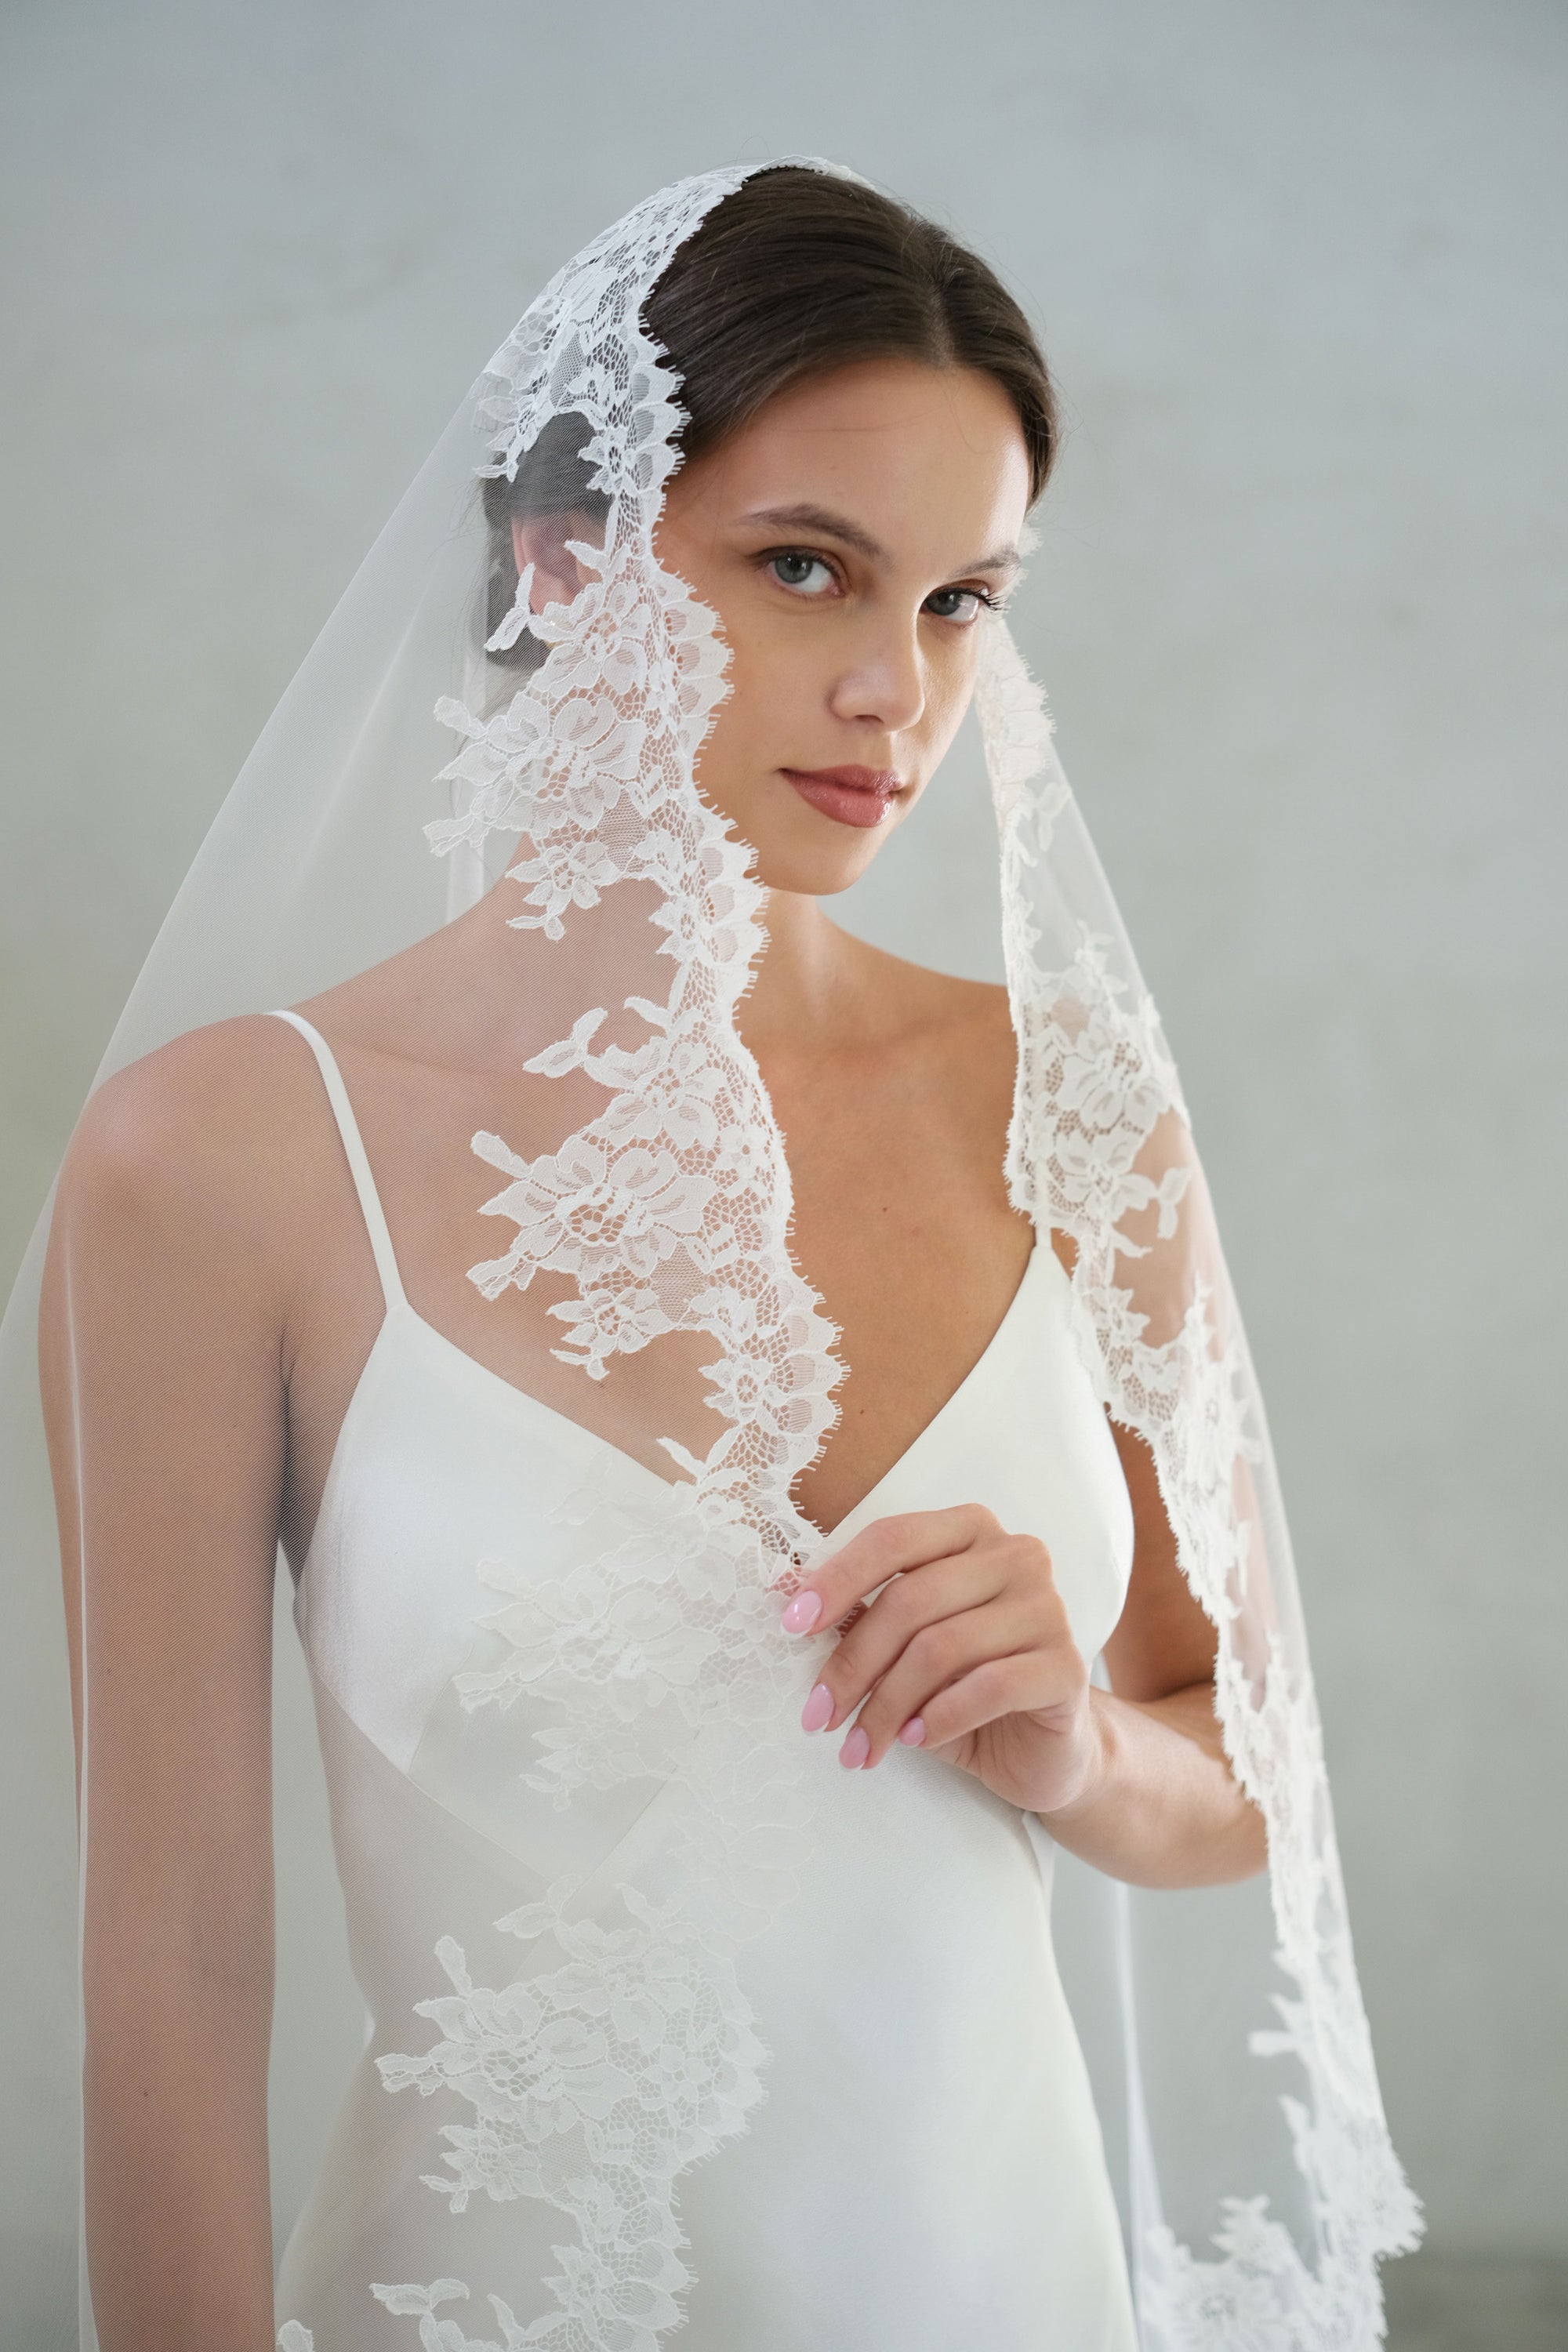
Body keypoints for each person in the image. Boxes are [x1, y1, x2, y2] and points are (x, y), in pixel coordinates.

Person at [23, 162, 1419, 2349]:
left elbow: (1227, 1779)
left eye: (965, 599)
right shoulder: (218, 1166)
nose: (899, 691)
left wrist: (1065, 1748)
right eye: (805, 569)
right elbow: (175, 1959)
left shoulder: (1068, 1111)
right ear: (564, 565)